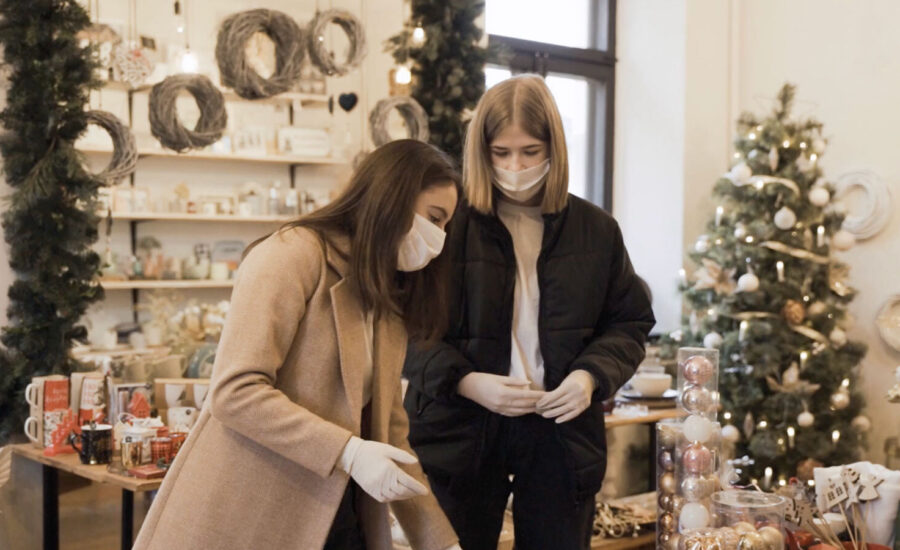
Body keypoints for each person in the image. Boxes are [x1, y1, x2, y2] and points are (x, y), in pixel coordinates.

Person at [134, 139, 462, 550]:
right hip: (254, 504)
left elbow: (390, 431)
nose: (439, 238)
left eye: (446, 225)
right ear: (391, 198)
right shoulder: (293, 255)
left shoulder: (386, 297)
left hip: (337, 510)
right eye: (434, 219)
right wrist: (349, 451)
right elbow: (235, 391)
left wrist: (437, 540)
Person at [402, 75, 656, 550]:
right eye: (501, 153)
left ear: (554, 148)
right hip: (461, 429)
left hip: (560, 434)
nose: (515, 166)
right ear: (482, 151)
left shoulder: (596, 230)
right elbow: (403, 326)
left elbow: (629, 322)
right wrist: (465, 381)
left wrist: (589, 378)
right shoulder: (448, 223)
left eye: (530, 151)